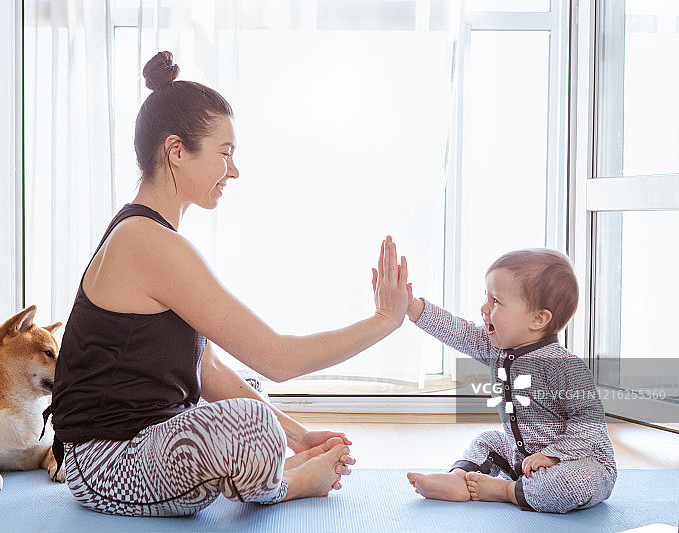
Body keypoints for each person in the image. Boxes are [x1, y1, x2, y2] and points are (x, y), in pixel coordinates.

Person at [46, 51, 410, 517]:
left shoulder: (152, 235)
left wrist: (297, 434)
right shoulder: (145, 241)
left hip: (155, 438)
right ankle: (286, 484)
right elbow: (280, 358)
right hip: (105, 462)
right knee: (253, 419)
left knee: (250, 395)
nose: (234, 170)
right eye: (224, 152)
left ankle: (277, 463)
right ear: (176, 151)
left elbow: (207, 369)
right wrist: (385, 320)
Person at [405, 249, 616, 514]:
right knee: (487, 440)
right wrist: (412, 307)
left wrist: (554, 455)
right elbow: (457, 331)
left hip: (580, 462)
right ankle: (460, 478)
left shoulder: (564, 366)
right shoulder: (496, 348)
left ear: (538, 319)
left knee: (567, 484)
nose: (484, 308)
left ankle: (506, 491)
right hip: (524, 457)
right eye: (486, 297)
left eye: (496, 301)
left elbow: (589, 421)